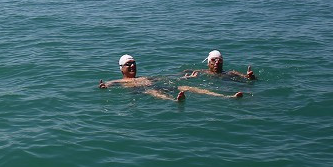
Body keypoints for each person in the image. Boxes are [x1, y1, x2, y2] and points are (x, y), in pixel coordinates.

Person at [99, 54, 243, 101]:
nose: (132, 66)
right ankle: (174, 100)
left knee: (188, 88)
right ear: (121, 68)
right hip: (142, 90)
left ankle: (226, 96)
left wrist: (185, 78)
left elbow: (163, 77)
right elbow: (109, 83)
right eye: (128, 64)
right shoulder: (120, 81)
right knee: (151, 91)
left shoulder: (145, 76)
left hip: (156, 85)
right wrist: (105, 86)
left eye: (133, 63)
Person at [183, 50, 255, 81]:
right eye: (214, 60)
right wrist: (186, 78)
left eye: (219, 60)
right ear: (208, 63)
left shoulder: (231, 73)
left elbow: (247, 78)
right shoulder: (197, 72)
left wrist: (250, 77)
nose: (217, 62)